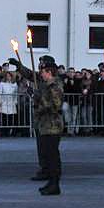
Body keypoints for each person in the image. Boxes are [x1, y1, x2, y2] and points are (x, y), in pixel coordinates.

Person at [35, 60, 64, 195]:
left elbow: (55, 105)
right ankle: (51, 182)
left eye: (43, 72)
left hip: (53, 125)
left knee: (52, 155)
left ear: (49, 72)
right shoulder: (47, 85)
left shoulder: (55, 85)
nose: (42, 74)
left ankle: (55, 183)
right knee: (47, 154)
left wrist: (40, 101)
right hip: (46, 125)